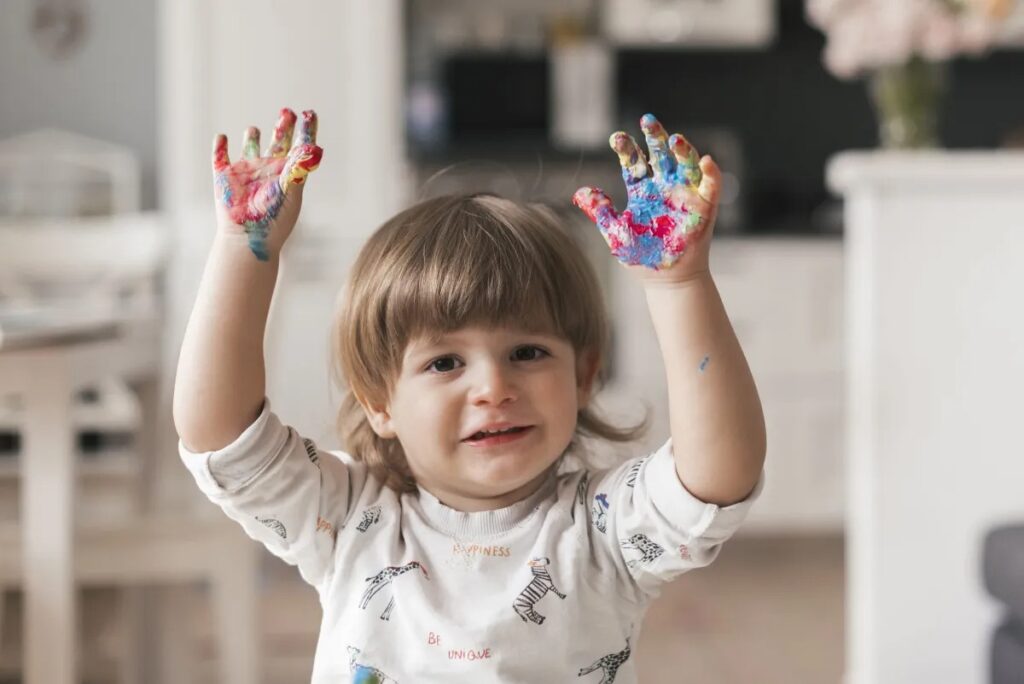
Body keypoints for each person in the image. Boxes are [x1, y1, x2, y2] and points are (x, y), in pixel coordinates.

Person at [173, 107, 767, 683]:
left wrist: (680, 284)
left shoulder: (604, 531)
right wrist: (243, 250)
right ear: (380, 401)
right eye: (445, 362)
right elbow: (220, 436)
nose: (493, 387)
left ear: (584, 376)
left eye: (527, 353)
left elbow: (718, 473)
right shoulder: (349, 519)